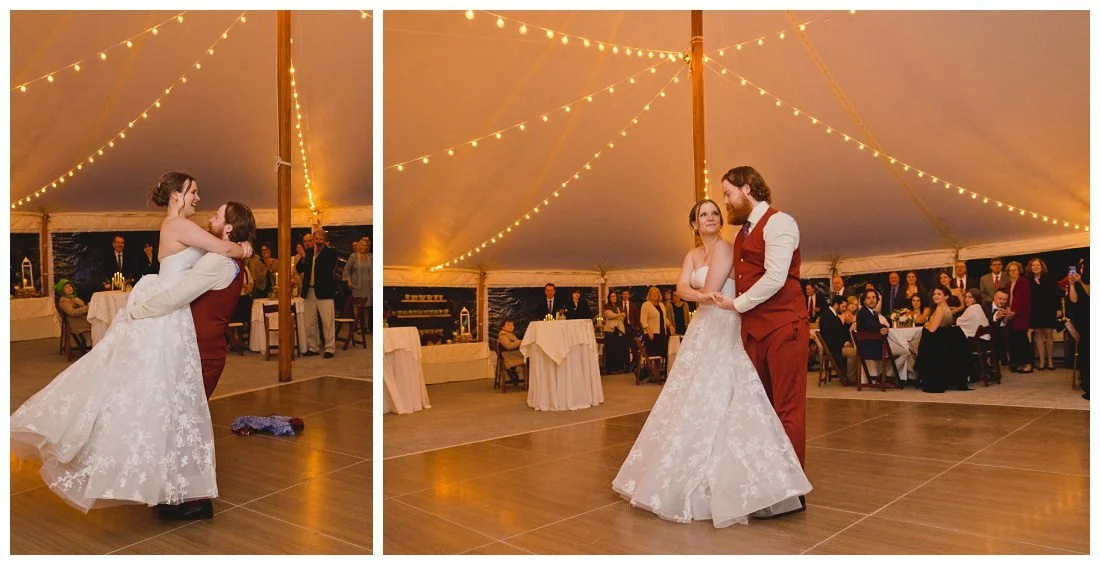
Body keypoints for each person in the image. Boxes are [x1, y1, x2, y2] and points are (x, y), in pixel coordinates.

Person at [11, 171, 252, 517]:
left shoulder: (183, 229)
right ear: (176, 196)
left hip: (172, 320)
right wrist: (243, 247)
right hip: (167, 318)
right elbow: (221, 248)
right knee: (155, 404)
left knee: (152, 403)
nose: (199, 199)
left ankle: (169, 489)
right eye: (193, 192)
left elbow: (212, 258)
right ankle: (169, 489)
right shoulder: (181, 226)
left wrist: (240, 247)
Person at [613, 198, 810, 527]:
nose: (710, 218)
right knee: (690, 397)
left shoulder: (725, 248)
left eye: (715, 213)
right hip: (702, 327)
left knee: (723, 393)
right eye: (703, 214)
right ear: (693, 223)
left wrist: (699, 295)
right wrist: (698, 296)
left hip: (724, 324)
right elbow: (680, 288)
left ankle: (740, 478)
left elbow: (707, 288)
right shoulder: (692, 254)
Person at [715, 166, 811, 515]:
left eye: (728, 193)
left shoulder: (780, 222)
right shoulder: (743, 234)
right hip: (753, 331)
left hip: (784, 326)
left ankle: (792, 491)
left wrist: (736, 305)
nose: (726, 202)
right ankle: (767, 482)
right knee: (762, 409)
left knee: (787, 407)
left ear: (747, 187)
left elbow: (775, 277)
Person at [915, 286, 971, 392]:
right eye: (934, 294)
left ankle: (913, 378)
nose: (935, 296)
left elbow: (932, 329)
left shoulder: (940, 309)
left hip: (937, 345)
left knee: (911, 346)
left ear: (946, 296)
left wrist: (926, 323)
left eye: (939, 294)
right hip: (943, 343)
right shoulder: (946, 308)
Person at [296, 228, 339, 358]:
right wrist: (304, 258)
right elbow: (299, 268)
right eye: (316, 239)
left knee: (327, 321)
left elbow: (326, 268)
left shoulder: (330, 253)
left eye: (321, 239)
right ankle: (313, 347)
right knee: (310, 322)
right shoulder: (308, 253)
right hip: (309, 291)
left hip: (325, 292)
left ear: (325, 241)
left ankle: (329, 348)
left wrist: (315, 257)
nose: (318, 241)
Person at [1027, 258, 1061, 371]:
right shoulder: (1028, 280)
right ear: (1030, 267)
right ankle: (1041, 360)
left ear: (1042, 266)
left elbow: (1056, 294)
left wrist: (1058, 308)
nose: (1035, 267)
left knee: (1048, 334)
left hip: (1048, 309)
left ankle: (1050, 360)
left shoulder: (1049, 278)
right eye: (1033, 265)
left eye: (1038, 265)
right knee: (1038, 335)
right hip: (1035, 311)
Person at [1004, 261, 1034, 373]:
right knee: (1013, 340)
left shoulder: (1024, 282)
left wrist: (1014, 312)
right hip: (1010, 315)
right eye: (1011, 270)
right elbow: (1007, 299)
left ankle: (1028, 364)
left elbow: (1024, 300)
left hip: (1021, 315)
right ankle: (1018, 363)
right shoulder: (1008, 284)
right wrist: (1007, 309)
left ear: (1019, 271)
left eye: (1015, 270)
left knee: (1022, 340)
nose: (1013, 272)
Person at [1065, 267, 1088, 399]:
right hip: (1084, 322)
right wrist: (1073, 285)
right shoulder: (1078, 283)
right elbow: (1074, 300)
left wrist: (1081, 283)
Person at [639, 286, 672, 375]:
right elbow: (643, 320)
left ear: (659, 295)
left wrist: (670, 326)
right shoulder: (646, 305)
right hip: (651, 334)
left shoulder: (661, 304)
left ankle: (657, 373)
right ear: (649, 295)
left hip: (662, 333)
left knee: (660, 355)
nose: (654, 295)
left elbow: (664, 318)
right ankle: (651, 374)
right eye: (652, 293)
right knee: (652, 355)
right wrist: (649, 331)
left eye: (656, 293)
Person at [345, 236, 372, 333]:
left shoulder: (371, 256)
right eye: (361, 245)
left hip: (368, 285)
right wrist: (348, 279)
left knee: (366, 306)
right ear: (359, 245)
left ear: (367, 247)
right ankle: (358, 326)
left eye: (365, 245)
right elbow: (347, 268)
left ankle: (366, 326)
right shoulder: (353, 256)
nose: (363, 247)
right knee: (357, 305)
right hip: (357, 284)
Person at [55, 279, 91, 351]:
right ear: (62, 290)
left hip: (79, 318)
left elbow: (82, 306)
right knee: (97, 322)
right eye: (66, 287)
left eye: (70, 286)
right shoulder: (64, 300)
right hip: (74, 322)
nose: (69, 288)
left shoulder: (73, 297)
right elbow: (72, 312)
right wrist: (87, 308)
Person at [602, 291, 628, 373]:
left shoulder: (619, 306)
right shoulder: (606, 306)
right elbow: (609, 315)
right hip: (610, 330)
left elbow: (623, 318)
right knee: (610, 350)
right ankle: (610, 369)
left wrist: (616, 316)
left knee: (618, 349)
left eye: (615, 296)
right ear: (609, 297)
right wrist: (619, 315)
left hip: (619, 330)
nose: (613, 298)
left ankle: (617, 368)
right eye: (612, 296)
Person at [496, 320, 525, 384]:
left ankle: (512, 370)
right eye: (508, 325)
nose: (511, 326)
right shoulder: (503, 336)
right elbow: (508, 346)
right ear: (503, 327)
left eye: (512, 325)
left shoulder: (510, 335)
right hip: (508, 356)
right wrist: (520, 342)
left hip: (510, 354)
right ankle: (528, 382)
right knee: (529, 358)